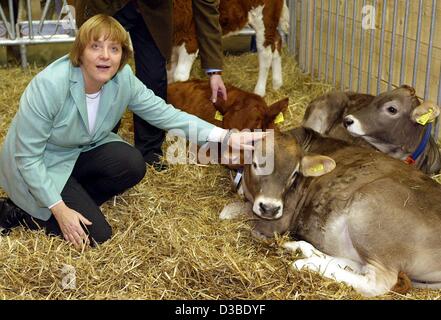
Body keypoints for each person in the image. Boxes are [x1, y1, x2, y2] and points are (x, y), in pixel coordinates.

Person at [0, 14, 264, 248]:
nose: (105, 55)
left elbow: (166, 114)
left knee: (132, 163)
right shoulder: (50, 85)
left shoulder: (123, 79)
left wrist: (227, 136)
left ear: (122, 55)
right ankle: (20, 212)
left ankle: (74, 199)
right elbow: (27, 158)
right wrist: (60, 210)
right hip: (39, 165)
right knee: (98, 236)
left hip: (77, 154)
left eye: (114, 48)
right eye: (96, 47)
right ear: (80, 53)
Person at [73, 0, 227, 169]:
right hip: (107, 4)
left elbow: (207, 8)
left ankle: (149, 151)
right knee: (102, 70)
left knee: (154, 78)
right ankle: (96, 144)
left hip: (153, 9)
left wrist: (214, 72)